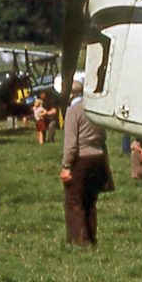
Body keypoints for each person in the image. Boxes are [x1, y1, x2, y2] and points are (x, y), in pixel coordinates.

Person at [59, 75, 111, 246]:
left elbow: (71, 143)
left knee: (74, 202)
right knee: (90, 201)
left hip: (81, 158)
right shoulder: (95, 109)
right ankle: (91, 237)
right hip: (98, 157)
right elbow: (103, 136)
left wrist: (66, 165)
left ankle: (79, 240)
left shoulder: (73, 111)